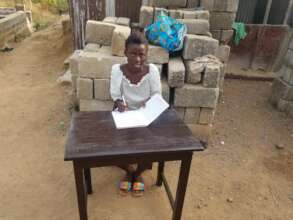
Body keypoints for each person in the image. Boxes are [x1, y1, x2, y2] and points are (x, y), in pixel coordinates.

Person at [110, 32, 162, 196]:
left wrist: (150, 103)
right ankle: (129, 170)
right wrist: (120, 103)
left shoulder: (152, 70)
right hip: (124, 113)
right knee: (114, 143)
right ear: (125, 53)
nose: (138, 59)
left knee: (150, 143)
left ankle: (138, 173)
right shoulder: (117, 71)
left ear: (146, 55)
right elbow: (116, 95)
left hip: (145, 113)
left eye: (141, 54)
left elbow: (156, 95)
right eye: (133, 53)